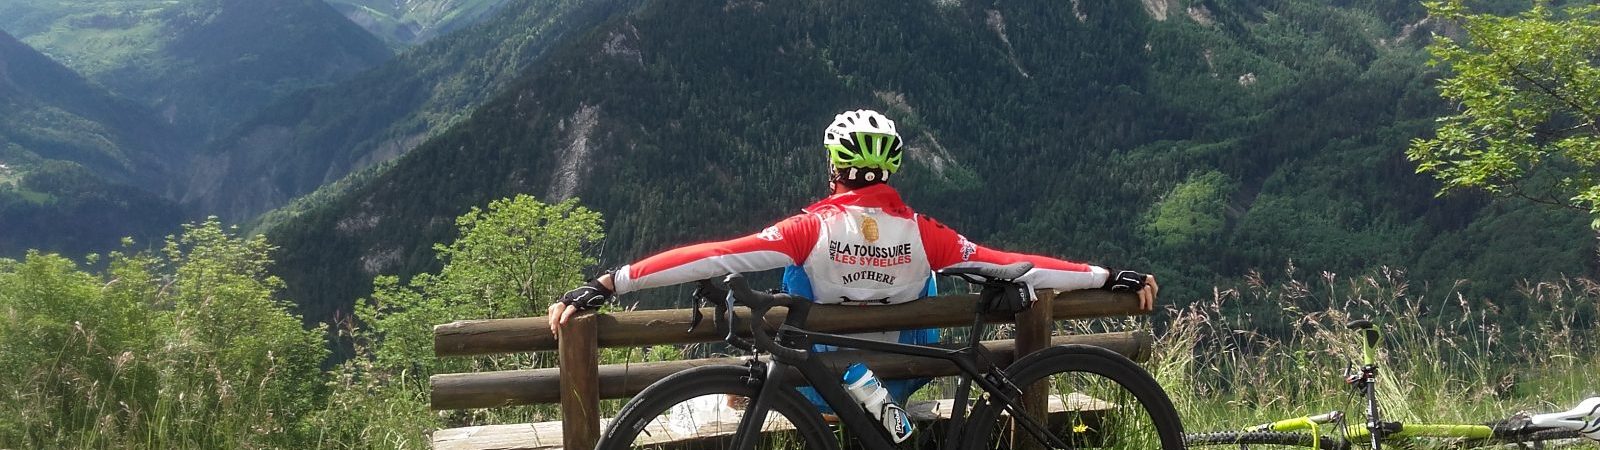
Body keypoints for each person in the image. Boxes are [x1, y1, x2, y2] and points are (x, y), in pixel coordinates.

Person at [547, 109, 1158, 407]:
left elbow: (710, 256)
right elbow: (1016, 265)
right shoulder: (926, 235)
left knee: (788, 283)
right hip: (905, 374)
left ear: (837, 170)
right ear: (889, 168)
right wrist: (1109, 277)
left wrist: (610, 283)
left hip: (819, 383)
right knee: (935, 289)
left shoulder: (810, 228)